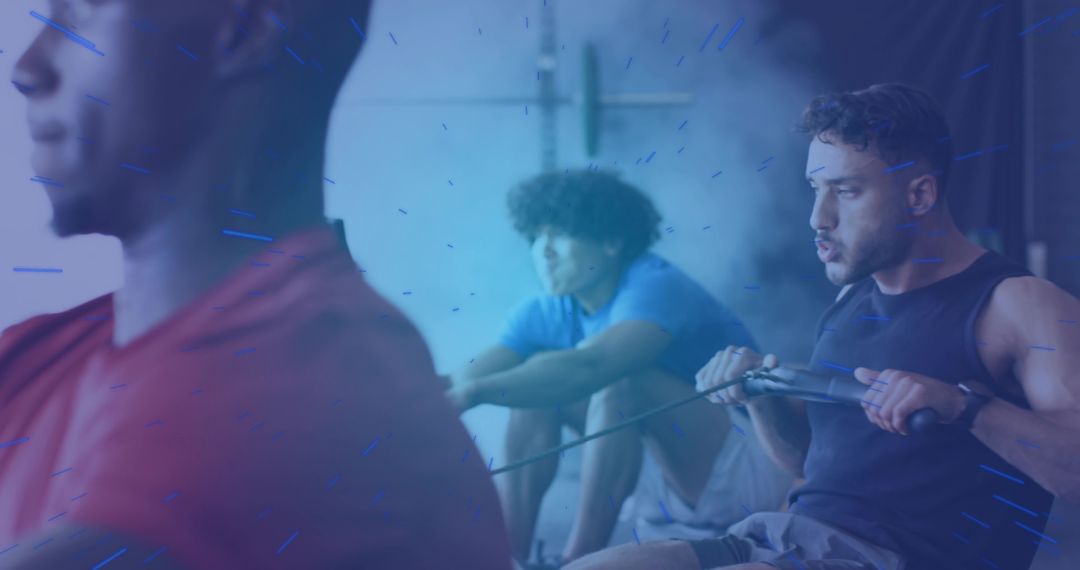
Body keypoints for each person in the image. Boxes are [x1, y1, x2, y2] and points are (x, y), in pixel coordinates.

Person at [3, 1, 510, 568]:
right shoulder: (38, 358)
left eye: (82, 11)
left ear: (245, 30)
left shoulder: (306, 389)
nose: (27, 69)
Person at [565, 83, 1080, 570]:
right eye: (816, 189)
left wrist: (964, 407)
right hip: (787, 540)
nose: (818, 217)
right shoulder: (852, 299)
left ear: (920, 195)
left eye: (846, 191)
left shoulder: (1019, 304)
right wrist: (759, 398)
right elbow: (811, 468)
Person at [447, 170, 793, 566]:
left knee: (620, 383)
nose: (544, 251)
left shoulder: (657, 285)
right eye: (537, 237)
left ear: (612, 241)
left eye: (559, 234)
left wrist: (473, 393)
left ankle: (579, 561)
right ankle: (506, 557)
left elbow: (592, 365)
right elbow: (463, 380)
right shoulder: (547, 308)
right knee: (531, 390)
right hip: (661, 471)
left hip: (749, 471)